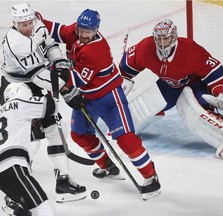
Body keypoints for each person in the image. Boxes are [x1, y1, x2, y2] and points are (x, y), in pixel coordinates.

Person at [36, 9, 161, 200]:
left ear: (96, 30)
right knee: (79, 135)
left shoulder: (96, 50)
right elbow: (55, 29)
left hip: (109, 98)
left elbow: (76, 79)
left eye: (88, 31)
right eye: (81, 29)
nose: (83, 34)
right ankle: (108, 167)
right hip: (87, 98)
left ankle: (151, 177)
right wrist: (38, 20)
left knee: (126, 139)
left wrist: (50, 68)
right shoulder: (75, 32)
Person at [119, 18, 223, 159]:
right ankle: (121, 128)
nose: (161, 43)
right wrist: (119, 84)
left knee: (198, 113)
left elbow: (216, 71)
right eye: (158, 38)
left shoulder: (189, 50)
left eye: (165, 38)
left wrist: (220, 92)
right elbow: (127, 69)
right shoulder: (146, 47)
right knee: (146, 103)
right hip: (169, 86)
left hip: (195, 84)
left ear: (173, 37)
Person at [0, 2, 86, 204]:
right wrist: (67, 90)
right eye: (23, 25)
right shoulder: (15, 43)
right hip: (16, 88)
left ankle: (63, 183)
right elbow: (37, 75)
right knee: (29, 136)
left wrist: (59, 62)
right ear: (15, 24)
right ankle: (16, 191)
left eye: (29, 22)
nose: (28, 27)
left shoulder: (37, 24)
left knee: (56, 128)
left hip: (35, 84)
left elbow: (50, 44)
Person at [0, 82, 59, 216]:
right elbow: (52, 107)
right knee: (43, 207)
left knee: (24, 209)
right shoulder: (19, 103)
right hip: (12, 165)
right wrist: (53, 91)